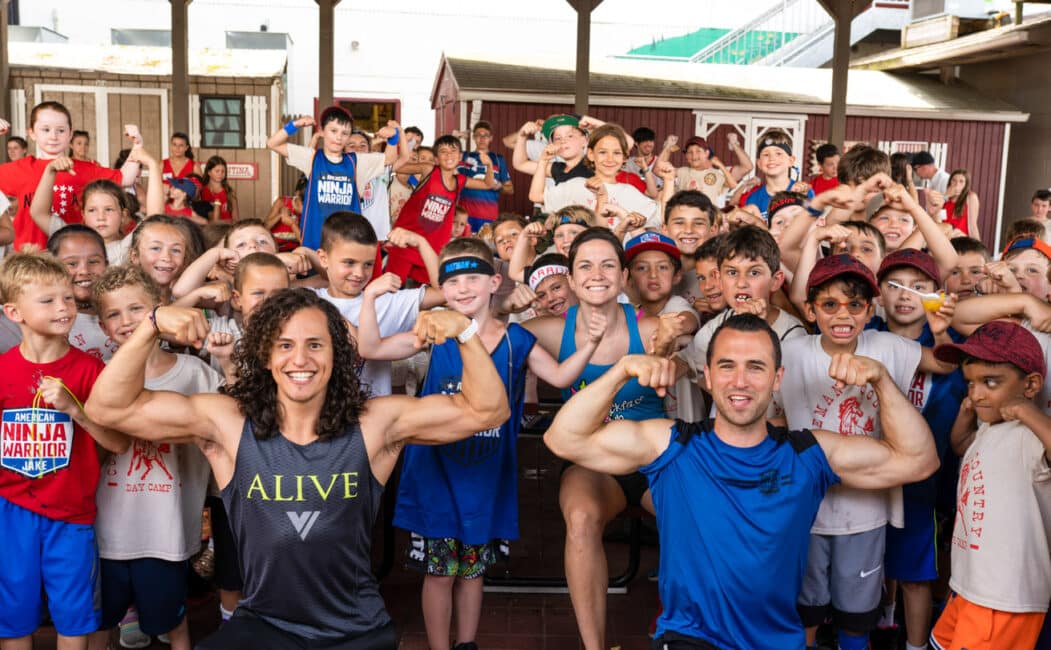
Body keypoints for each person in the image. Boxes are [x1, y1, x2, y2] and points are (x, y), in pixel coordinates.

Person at [83, 288, 510, 649]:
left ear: (336, 354)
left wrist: (466, 332)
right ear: (266, 356)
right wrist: (152, 324)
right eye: (284, 345)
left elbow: (488, 411)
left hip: (357, 632)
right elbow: (108, 407)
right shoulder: (228, 423)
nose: (300, 359)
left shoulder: (376, 424)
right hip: (264, 626)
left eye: (315, 345)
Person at [544, 312, 939, 649]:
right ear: (709, 377)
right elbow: (563, 439)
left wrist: (883, 382)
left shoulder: (807, 454)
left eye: (756, 367)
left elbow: (919, 461)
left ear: (777, 378)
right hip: (688, 638)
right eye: (727, 366)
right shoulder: (672, 444)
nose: (740, 381)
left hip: (778, 640)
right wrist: (620, 371)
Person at [377, 238, 605, 650]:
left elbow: (559, 378)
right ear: (441, 290)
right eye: (453, 282)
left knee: (471, 571)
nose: (463, 289)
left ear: (493, 282)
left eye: (472, 279)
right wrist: (373, 295)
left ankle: (466, 644)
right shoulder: (433, 333)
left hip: (485, 474)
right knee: (439, 572)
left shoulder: (517, 339)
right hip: (435, 473)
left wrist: (590, 343)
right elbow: (369, 348)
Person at [781, 254, 955, 650]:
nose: (843, 315)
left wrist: (940, 331)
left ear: (869, 309)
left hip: (867, 507)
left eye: (855, 305)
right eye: (829, 305)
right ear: (810, 310)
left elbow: (944, 365)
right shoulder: (791, 352)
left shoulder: (888, 346)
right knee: (805, 607)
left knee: (857, 613)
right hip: (805, 508)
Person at [522, 227, 671, 650]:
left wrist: (679, 353)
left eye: (608, 264)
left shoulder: (657, 329)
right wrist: (504, 306)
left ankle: (684, 628)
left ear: (624, 276)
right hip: (592, 463)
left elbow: (690, 343)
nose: (597, 274)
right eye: (585, 265)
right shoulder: (552, 330)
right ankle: (594, 647)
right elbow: (489, 333)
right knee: (582, 519)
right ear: (571, 280)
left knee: (688, 513)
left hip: (648, 460)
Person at [88, 266, 222, 650]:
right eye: (114, 314)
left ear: (161, 309)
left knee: (172, 620)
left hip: (166, 529)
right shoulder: (98, 376)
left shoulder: (195, 373)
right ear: (101, 324)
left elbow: (220, 441)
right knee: (101, 624)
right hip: (105, 529)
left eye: (137, 309)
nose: (127, 321)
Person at [0, 252, 129, 649]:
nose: (64, 307)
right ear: (13, 312)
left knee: (74, 620)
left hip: (72, 514)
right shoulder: (3, 370)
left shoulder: (90, 371)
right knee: (13, 619)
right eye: (48, 300)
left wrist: (77, 410)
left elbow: (119, 442)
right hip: (11, 511)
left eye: (68, 298)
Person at [931, 320, 1051, 650]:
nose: (976, 393)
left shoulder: (1029, 437)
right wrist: (966, 414)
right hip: (972, 585)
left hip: (1004, 599)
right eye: (970, 383)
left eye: (990, 382)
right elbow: (961, 446)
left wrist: (1027, 412)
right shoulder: (991, 426)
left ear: (1031, 385)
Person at [0, 101, 139, 250]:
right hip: (30, 257)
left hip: (73, 255)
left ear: (70, 134)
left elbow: (125, 177)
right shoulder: (20, 168)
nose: (53, 136)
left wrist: (137, 144)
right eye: (45, 129)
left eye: (60, 130)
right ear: (32, 133)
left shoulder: (85, 169)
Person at [266, 107, 400, 250]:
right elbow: (272, 143)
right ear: (322, 131)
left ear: (348, 136)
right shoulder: (311, 158)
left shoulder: (358, 162)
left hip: (348, 243)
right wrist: (295, 125)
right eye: (333, 131)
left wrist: (394, 138)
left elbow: (390, 159)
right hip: (315, 244)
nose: (338, 137)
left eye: (344, 133)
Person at [386, 134, 497, 285]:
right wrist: (402, 145)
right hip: (405, 242)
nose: (449, 155)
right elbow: (393, 166)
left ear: (460, 156)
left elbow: (487, 184)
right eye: (443, 151)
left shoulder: (460, 181)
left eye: (453, 151)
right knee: (391, 287)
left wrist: (489, 166)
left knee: (431, 290)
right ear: (436, 158)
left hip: (431, 248)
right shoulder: (429, 169)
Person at [459, 120, 513, 232]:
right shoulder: (464, 156)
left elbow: (510, 189)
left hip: (489, 215)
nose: (482, 139)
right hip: (465, 216)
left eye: (486, 136)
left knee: (486, 247)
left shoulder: (498, 159)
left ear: (491, 138)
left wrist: (499, 186)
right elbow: (443, 156)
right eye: (478, 135)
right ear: (473, 137)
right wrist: (456, 137)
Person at [943, 169, 980, 239]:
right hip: (946, 240)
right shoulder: (945, 200)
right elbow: (939, 221)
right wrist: (945, 196)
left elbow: (973, 226)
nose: (957, 184)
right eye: (954, 180)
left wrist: (977, 246)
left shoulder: (970, 197)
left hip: (962, 241)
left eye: (961, 181)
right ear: (950, 182)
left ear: (966, 185)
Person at [201, 155, 239, 223]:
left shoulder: (229, 192)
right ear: (209, 172)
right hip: (208, 230)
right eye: (217, 171)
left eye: (223, 171)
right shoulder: (201, 191)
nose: (220, 174)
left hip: (227, 229)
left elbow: (235, 219)